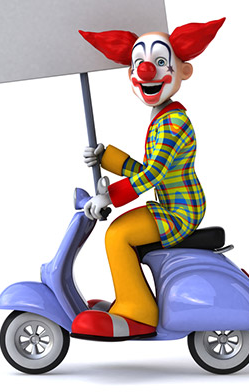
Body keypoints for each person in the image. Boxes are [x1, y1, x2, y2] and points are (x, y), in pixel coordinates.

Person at [71, 18, 225, 340]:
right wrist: (106, 157)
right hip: (172, 205)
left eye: (160, 62)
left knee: (118, 235)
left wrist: (109, 197)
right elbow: (150, 169)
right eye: (138, 63)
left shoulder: (173, 123)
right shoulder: (164, 116)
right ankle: (130, 297)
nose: (146, 70)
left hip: (179, 212)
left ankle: (138, 312)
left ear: (184, 71)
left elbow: (153, 174)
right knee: (119, 232)